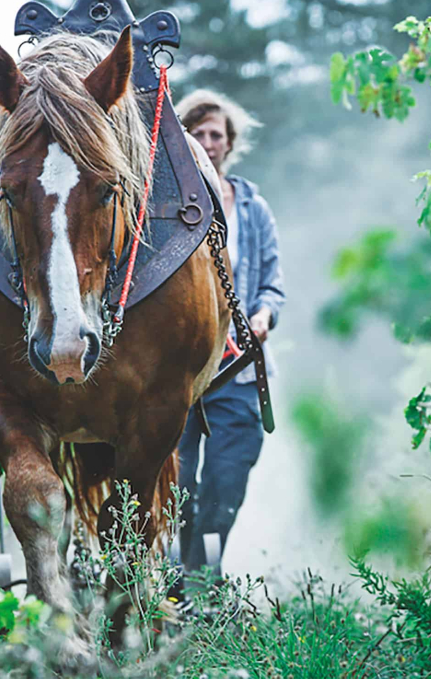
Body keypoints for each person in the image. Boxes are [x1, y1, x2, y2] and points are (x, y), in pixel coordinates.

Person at [175, 89, 285, 575]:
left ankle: (203, 575)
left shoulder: (254, 208)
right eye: (196, 134)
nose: (206, 141)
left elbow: (272, 285)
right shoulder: (168, 205)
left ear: (229, 143)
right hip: (179, 368)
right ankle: (171, 581)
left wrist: (263, 316)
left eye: (214, 134)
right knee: (176, 481)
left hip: (239, 367)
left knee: (226, 479)